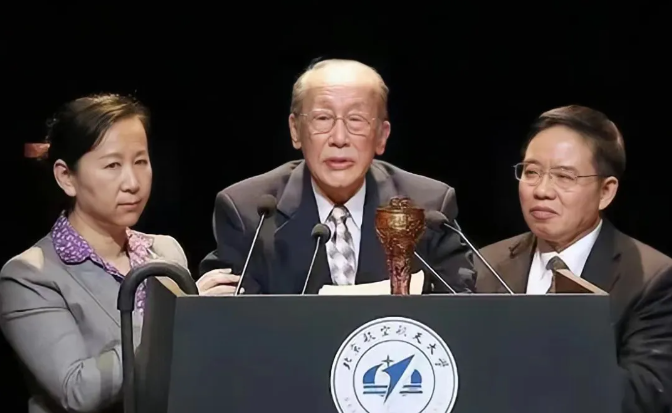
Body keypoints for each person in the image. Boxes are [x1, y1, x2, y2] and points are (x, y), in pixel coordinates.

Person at [0, 94, 234, 413]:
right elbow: (77, 391)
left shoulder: (164, 251)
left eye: (141, 162)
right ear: (66, 176)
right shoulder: (29, 276)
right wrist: (175, 317)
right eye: (112, 165)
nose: (132, 183)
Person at [199, 59, 476, 294]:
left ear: (382, 136)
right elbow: (233, 318)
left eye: (356, 120)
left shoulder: (429, 208)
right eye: (322, 119)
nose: (339, 138)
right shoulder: (248, 213)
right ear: (295, 131)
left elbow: (460, 309)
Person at [474, 105, 672, 413]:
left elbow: (643, 395)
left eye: (564, 176)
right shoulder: (483, 264)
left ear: (606, 192)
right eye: (531, 172)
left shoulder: (652, 278)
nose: (542, 190)